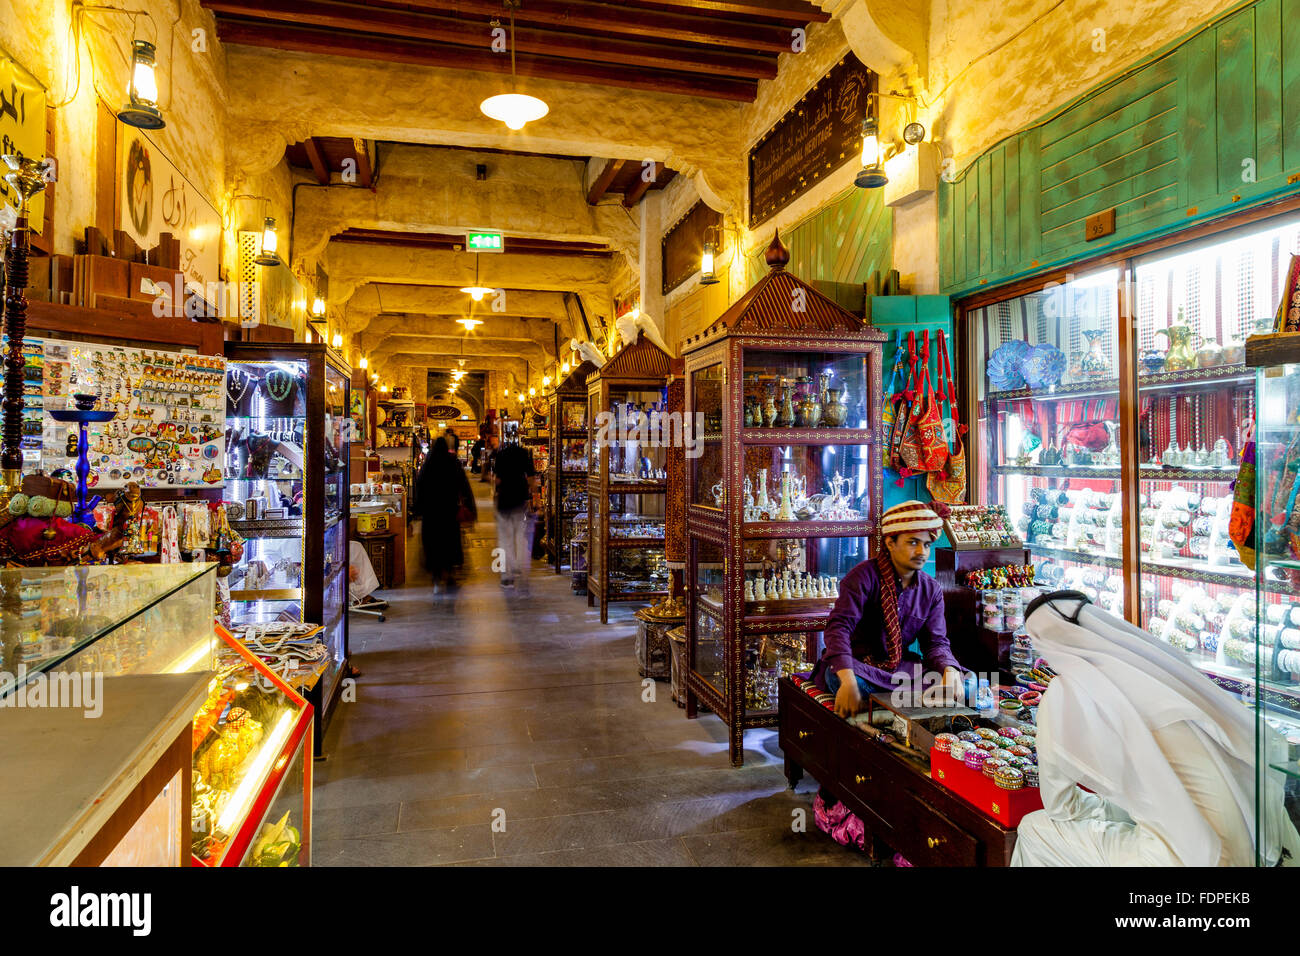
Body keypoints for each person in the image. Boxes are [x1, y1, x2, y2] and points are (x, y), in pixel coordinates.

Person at [812, 500, 965, 717]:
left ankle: (901, 703)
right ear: (890, 542)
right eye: (913, 542)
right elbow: (838, 630)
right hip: (859, 667)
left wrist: (949, 671)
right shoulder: (862, 577)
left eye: (927, 544)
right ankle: (913, 703)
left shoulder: (931, 589)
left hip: (902, 669)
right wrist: (847, 680)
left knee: (968, 684)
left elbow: (935, 643)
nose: (922, 551)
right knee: (843, 680)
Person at [414, 436, 476, 591]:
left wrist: (417, 509)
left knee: (433, 543)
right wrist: (470, 506)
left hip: (431, 513)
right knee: (449, 543)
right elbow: (464, 485)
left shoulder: (428, 464)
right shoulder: (452, 462)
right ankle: (449, 573)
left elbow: (419, 486)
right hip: (449, 511)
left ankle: (436, 575)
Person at [493, 436, 536, 590]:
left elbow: (497, 480)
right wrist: (533, 497)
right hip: (519, 500)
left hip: (504, 501)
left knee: (505, 539)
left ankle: (507, 577)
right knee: (520, 535)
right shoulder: (524, 454)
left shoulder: (501, 455)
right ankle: (517, 566)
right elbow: (531, 478)